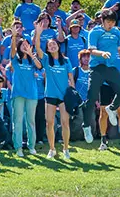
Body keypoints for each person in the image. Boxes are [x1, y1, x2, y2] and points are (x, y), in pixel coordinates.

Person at [86, 8, 120, 149]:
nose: (110, 25)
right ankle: (97, 135)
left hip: (112, 72)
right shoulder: (95, 32)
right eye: (108, 22)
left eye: (113, 22)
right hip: (99, 71)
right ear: (102, 21)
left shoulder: (116, 32)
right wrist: (102, 53)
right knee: (97, 105)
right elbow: (91, 50)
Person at [35, 21, 73, 159]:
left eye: (54, 44)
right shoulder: (45, 59)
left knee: (64, 122)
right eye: (49, 45)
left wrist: (72, 92)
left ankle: (66, 148)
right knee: (49, 122)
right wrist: (38, 33)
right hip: (50, 95)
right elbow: (37, 48)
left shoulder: (66, 60)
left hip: (64, 96)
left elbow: (71, 78)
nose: (52, 46)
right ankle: (52, 149)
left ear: (58, 46)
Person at [8, 29, 42, 157]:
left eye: (27, 45)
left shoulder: (32, 60)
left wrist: (31, 54)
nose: (25, 47)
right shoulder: (16, 60)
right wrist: (14, 36)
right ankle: (18, 148)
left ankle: (31, 146)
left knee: (30, 121)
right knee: (17, 121)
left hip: (32, 94)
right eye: (22, 45)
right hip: (18, 94)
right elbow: (12, 51)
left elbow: (39, 66)